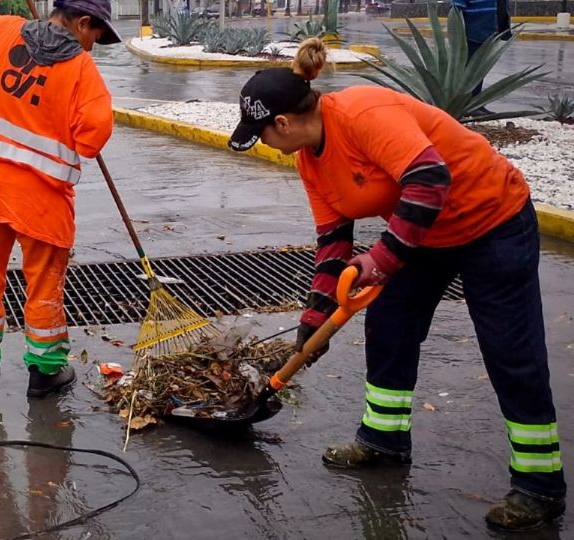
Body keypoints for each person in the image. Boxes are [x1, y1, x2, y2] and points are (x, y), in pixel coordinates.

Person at [227, 37, 566, 530]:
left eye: (260, 134)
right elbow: (333, 239)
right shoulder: (308, 158)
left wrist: (383, 259)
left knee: (511, 352)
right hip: (423, 235)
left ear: (282, 123)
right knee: (389, 328)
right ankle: (383, 441)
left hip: (493, 220)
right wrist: (313, 320)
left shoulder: (364, 112)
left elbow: (430, 178)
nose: (263, 143)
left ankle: (540, 485)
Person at [0, 0, 120, 398]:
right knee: (44, 288)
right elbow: (91, 138)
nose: (93, 46)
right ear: (82, 22)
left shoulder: (4, 32)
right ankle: (44, 373)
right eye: (95, 35)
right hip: (43, 204)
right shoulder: (82, 70)